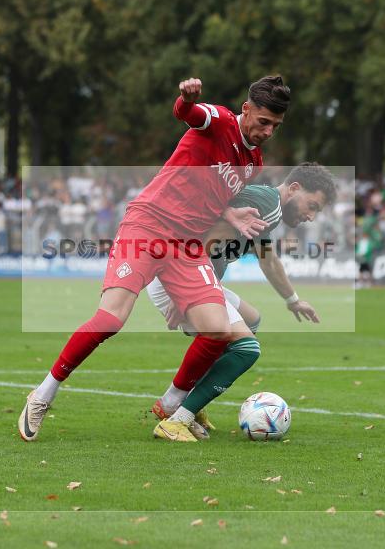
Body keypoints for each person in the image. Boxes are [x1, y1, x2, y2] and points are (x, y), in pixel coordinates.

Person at [18, 75, 291, 442]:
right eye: (263, 121)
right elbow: (190, 114)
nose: (268, 131)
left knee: (218, 329)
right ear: (246, 110)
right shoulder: (221, 121)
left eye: (275, 125)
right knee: (110, 319)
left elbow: (213, 195)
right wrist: (186, 99)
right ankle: (42, 395)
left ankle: (172, 408)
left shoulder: (253, 162)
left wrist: (231, 214)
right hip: (147, 225)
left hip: (187, 245)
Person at [146, 163, 335, 441]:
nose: (310, 215)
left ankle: (186, 402)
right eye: (312, 205)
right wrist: (183, 290)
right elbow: (208, 239)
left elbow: (268, 260)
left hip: (188, 275)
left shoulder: (267, 209)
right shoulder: (268, 205)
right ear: (294, 189)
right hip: (179, 275)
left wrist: (293, 300)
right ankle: (177, 417)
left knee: (251, 320)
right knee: (247, 349)